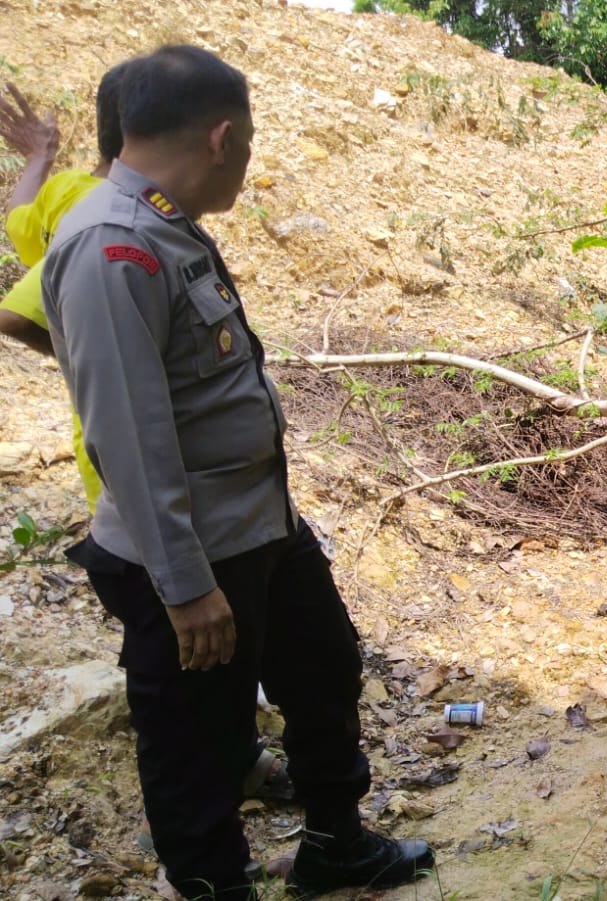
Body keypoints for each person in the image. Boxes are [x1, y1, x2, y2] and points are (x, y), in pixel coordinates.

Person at [41, 45, 434, 899]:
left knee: (323, 665)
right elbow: (129, 437)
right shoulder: (115, 246)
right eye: (248, 149)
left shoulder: (164, 224)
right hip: (191, 552)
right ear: (222, 137)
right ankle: (218, 884)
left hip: (258, 526)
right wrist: (183, 588)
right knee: (197, 740)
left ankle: (336, 841)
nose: (247, 166)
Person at [0, 75, 121, 508]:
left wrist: (39, 158)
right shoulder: (111, 214)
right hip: (131, 466)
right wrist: (92, 355)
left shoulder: (68, 191)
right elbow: (14, 316)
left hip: (103, 449)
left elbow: (23, 229)